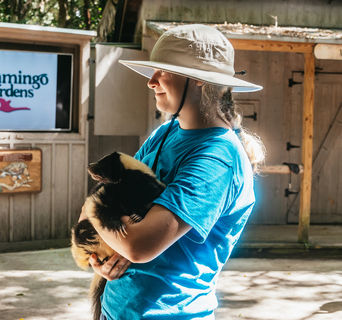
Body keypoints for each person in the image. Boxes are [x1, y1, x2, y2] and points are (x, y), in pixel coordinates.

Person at [79, 24, 266, 320]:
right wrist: (102, 255)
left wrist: (96, 211)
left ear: (200, 81)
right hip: (116, 310)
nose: (151, 81)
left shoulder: (218, 158)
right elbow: (102, 213)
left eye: (163, 71)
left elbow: (139, 245)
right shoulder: (165, 133)